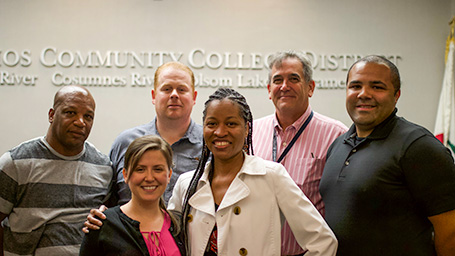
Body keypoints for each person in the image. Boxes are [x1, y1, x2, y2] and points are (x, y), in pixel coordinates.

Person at [168, 88, 338, 256]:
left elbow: (323, 242)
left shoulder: (271, 176)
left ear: (247, 128)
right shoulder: (187, 184)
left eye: (231, 124)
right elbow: (167, 242)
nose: (220, 132)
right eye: (212, 124)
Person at [319, 55, 455, 256]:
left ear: (397, 94)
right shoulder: (338, 145)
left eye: (377, 87)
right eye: (355, 86)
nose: (364, 94)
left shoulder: (418, 146)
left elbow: (450, 231)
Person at [253, 50, 348, 255]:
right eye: (278, 80)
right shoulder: (250, 133)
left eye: (293, 79)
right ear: (269, 90)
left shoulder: (336, 134)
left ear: (310, 87)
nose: (284, 86)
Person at [0, 85, 113, 256]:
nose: (80, 122)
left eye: (88, 116)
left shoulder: (103, 167)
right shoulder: (16, 163)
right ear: (51, 115)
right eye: (70, 113)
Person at [111, 61, 202, 205]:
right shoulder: (126, 142)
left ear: (194, 97)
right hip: (129, 228)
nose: (174, 95)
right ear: (154, 96)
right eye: (166, 89)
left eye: (182, 89)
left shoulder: (209, 144)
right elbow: (109, 201)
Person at [80, 135, 185, 255]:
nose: (149, 178)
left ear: (169, 175)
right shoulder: (103, 225)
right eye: (140, 169)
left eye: (158, 169)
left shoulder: (179, 226)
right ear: (125, 174)